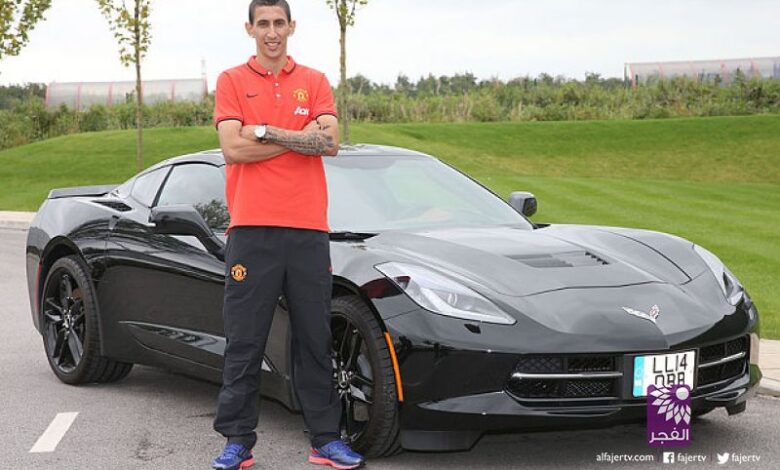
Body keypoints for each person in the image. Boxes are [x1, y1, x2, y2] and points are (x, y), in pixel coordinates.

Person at [210, 1, 365, 469]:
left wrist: (264, 132)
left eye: (279, 22)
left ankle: (325, 440)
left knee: (315, 339)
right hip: (251, 231)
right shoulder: (232, 81)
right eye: (263, 23)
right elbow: (233, 149)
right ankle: (238, 441)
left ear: (291, 26)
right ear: (250, 29)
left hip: (308, 231)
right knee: (245, 341)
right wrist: (298, 136)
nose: (272, 31)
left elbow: (329, 142)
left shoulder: (314, 81)